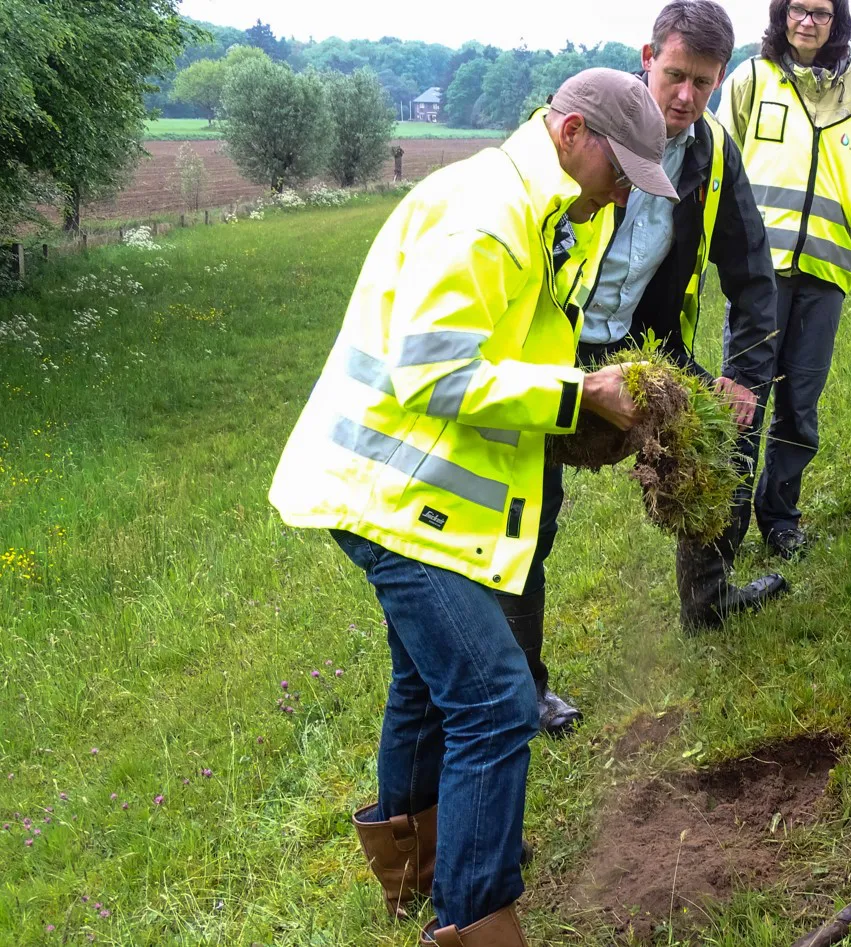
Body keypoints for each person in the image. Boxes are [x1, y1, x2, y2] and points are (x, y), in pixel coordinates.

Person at [267, 69, 675, 946]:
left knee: (426, 681)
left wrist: (591, 407)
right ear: (571, 133)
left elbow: (504, 354)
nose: (619, 193)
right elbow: (437, 372)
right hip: (386, 493)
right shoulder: (485, 211)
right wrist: (576, 395)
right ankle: (476, 922)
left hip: (410, 490)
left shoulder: (540, 209)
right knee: (494, 699)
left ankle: (411, 876)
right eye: (619, 169)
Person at [498, 0, 789, 731]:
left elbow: (752, 272)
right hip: (548, 347)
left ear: (721, 79)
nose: (685, 97)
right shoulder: (577, 134)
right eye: (674, 75)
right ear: (645, 58)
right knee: (529, 516)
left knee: (722, 438)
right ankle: (524, 687)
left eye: (703, 81)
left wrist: (744, 375)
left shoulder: (713, 154)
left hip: (640, 342)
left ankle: (709, 597)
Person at [716, 0, 851, 561]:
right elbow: (719, 163)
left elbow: (847, 170)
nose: (808, 21)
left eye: (821, 12)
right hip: (760, 274)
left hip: (826, 273)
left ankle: (780, 517)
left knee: (800, 408)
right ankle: (723, 526)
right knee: (743, 400)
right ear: (782, 15)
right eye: (799, 9)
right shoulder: (751, 78)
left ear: (837, 22)